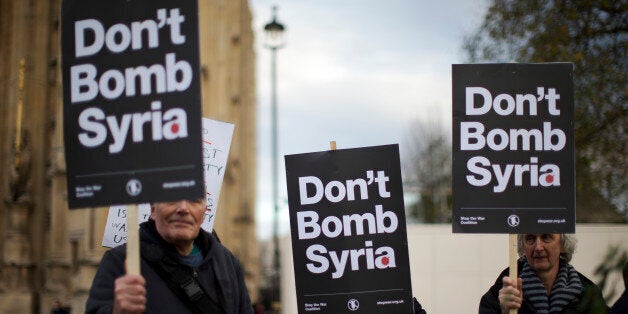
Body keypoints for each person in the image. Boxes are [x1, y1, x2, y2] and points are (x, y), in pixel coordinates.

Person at [86, 199, 253, 314]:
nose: (183, 208)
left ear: (204, 212)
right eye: (172, 198)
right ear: (152, 209)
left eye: (194, 200)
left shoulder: (228, 263)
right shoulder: (119, 261)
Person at [479, 233, 609, 314]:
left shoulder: (589, 297)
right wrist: (504, 312)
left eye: (546, 237)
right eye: (530, 238)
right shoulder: (498, 296)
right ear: (522, 246)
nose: (538, 247)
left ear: (563, 244)